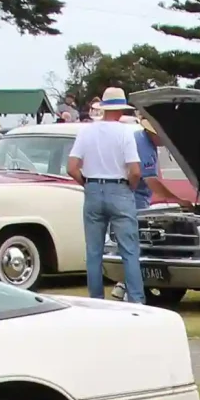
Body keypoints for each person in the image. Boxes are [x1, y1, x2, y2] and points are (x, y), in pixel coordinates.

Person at [66, 89, 144, 305]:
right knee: (129, 250)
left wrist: (87, 183)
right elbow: (135, 171)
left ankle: (96, 300)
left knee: (94, 251)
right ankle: (136, 300)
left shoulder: (86, 131)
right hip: (119, 188)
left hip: (92, 188)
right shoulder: (124, 132)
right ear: (119, 109)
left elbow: (72, 167)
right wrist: (131, 187)